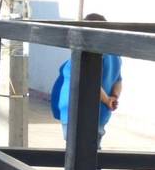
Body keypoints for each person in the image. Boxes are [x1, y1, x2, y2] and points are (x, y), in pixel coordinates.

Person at [50, 13, 122, 147]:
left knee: (77, 152)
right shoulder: (115, 55)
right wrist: (113, 97)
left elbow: (90, 82)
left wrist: (107, 99)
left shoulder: (84, 55)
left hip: (77, 112)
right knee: (94, 150)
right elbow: (118, 80)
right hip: (100, 113)